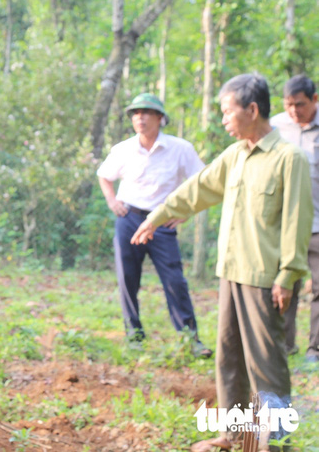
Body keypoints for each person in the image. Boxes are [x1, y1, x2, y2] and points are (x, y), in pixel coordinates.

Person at [132, 74, 312, 451]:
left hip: (265, 278)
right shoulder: (235, 155)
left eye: (228, 112)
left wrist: (287, 275)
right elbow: (196, 190)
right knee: (229, 360)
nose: (224, 120)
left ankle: (274, 442)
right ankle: (234, 434)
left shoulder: (288, 158)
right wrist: (156, 216)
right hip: (231, 273)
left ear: (252, 109)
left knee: (266, 364)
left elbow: (296, 221)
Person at [97, 93, 211, 357]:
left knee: (175, 280)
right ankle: (134, 336)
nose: (140, 118)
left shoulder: (180, 148)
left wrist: (187, 211)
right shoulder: (123, 149)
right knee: (128, 278)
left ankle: (190, 339)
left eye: (147, 112)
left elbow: (203, 181)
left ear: (160, 117)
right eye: (136, 113)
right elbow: (104, 175)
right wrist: (112, 201)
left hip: (162, 221)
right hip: (129, 218)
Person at [272, 74, 319, 364]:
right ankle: (284, 345)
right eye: (289, 104)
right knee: (284, 286)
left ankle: (315, 349)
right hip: (285, 226)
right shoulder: (276, 126)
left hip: (318, 226)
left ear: (315, 99)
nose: (294, 111)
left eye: (300, 104)